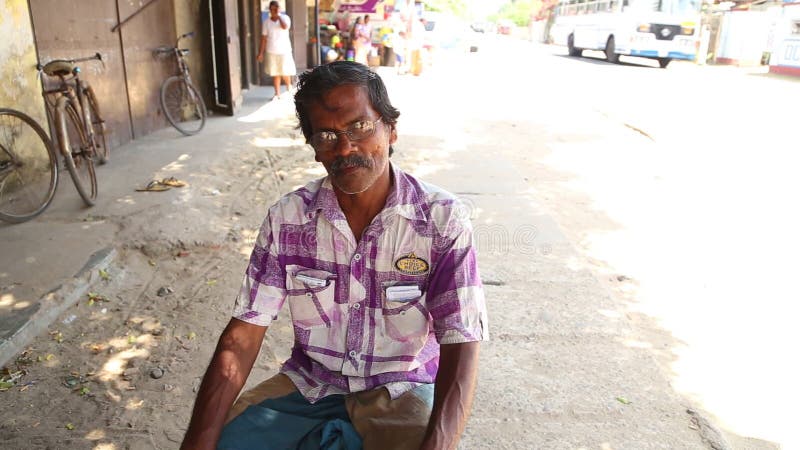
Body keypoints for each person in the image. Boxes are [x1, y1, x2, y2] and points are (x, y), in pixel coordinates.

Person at [180, 61, 488, 450]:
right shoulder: (288, 219)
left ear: (391, 129)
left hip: (402, 390)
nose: (345, 148)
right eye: (326, 135)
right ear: (313, 148)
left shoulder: (441, 219)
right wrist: (198, 441)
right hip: (308, 387)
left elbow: (461, 340)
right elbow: (242, 336)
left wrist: (439, 444)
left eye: (360, 126)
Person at [257, 0, 296, 100]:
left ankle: (289, 88)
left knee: (285, 72)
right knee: (275, 73)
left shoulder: (285, 18)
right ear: (270, 10)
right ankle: (277, 93)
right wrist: (260, 53)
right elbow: (264, 38)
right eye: (272, 9)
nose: (274, 11)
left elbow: (285, 27)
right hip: (271, 50)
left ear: (279, 9)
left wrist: (279, 17)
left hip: (284, 50)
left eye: (276, 9)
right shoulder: (266, 22)